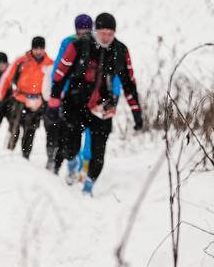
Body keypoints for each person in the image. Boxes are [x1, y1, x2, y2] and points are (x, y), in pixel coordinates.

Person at [49, 12, 143, 195]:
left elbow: (129, 83)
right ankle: (72, 162)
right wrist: (54, 102)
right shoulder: (78, 45)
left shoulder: (120, 51)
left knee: (98, 152)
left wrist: (136, 112)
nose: (106, 38)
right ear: (95, 31)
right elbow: (60, 74)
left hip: (103, 108)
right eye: (103, 33)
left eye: (110, 34)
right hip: (75, 104)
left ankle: (88, 187)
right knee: (70, 147)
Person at [45, 14, 95, 172]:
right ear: (76, 29)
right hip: (71, 95)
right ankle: (70, 160)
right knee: (68, 131)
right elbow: (59, 69)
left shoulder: (98, 44)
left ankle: (85, 164)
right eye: (81, 29)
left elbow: (108, 72)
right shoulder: (68, 42)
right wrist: (59, 93)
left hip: (92, 96)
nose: (84, 32)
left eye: (88, 29)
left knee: (90, 132)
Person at [0, 36, 54, 159]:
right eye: (36, 48)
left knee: (30, 131)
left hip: (38, 102)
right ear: (32, 48)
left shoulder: (49, 64)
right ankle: (7, 154)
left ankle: (25, 158)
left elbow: (54, 82)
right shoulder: (22, 61)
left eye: (41, 48)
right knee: (14, 129)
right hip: (20, 100)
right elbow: (7, 78)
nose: (38, 51)